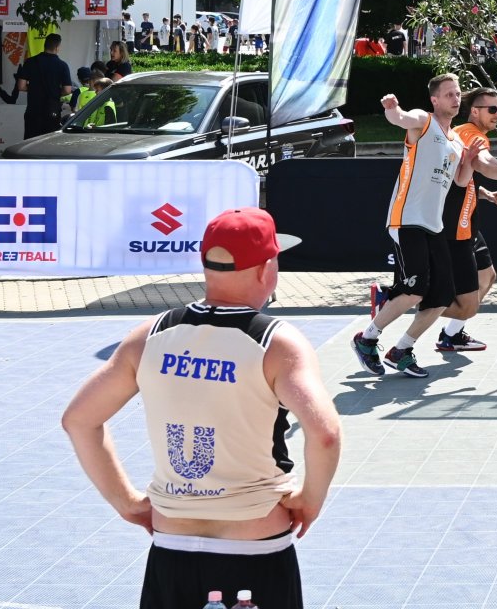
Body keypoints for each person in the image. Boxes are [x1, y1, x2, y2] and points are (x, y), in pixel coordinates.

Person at [61, 207, 341, 609]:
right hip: (255, 545)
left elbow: (78, 420)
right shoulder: (276, 342)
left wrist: (126, 501)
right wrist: (310, 500)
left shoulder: (151, 335)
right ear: (267, 270)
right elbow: (325, 433)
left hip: (172, 543)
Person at [352, 76, 478, 379]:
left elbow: (460, 181)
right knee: (415, 289)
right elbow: (400, 118)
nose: (455, 99)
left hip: (434, 225)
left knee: (442, 296)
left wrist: (470, 160)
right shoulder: (423, 121)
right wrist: (392, 108)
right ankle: (367, 338)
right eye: (449, 94)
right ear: (434, 100)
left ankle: (402, 350)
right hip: (406, 218)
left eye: (458, 94)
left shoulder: (457, 141)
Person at [435, 86, 497, 355]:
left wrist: (485, 194)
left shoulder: (466, 133)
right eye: (492, 109)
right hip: (455, 226)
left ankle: (451, 334)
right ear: (475, 112)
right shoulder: (470, 132)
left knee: (487, 276)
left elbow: (459, 180)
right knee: (463, 300)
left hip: (468, 222)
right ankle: (399, 300)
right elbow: (483, 163)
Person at [14, 31, 76, 140]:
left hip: (32, 111)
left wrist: (35, 89)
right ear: (57, 47)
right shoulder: (62, 65)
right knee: (49, 144)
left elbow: (21, 86)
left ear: (45, 45)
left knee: (30, 144)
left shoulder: (30, 62)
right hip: (51, 111)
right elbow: (67, 90)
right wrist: (55, 92)